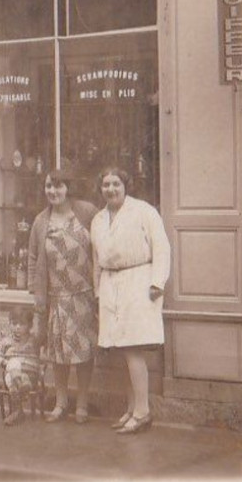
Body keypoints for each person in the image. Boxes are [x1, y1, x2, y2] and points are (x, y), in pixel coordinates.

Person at [90, 167, 172, 435]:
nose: (110, 189)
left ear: (125, 186)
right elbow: (96, 259)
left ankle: (143, 412)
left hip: (138, 281)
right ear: (100, 188)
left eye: (116, 183)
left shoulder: (143, 211)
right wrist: (97, 292)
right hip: (110, 284)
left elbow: (161, 246)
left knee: (133, 348)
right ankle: (131, 408)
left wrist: (157, 283)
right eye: (105, 184)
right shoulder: (99, 219)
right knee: (120, 349)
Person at [28, 169, 97, 424]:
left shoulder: (87, 212)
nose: (53, 192)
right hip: (55, 297)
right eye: (48, 186)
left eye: (58, 186)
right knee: (58, 354)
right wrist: (35, 292)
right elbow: (33, 258)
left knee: (83, 353)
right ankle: (60, 403)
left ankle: (82, 404)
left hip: (84, 296)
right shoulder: (40, 221)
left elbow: (102, 244)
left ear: (68, 187)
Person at [0, 305, 42, 426]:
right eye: (14, 323)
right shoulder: (6, 341)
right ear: (9, 324)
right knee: (11, 370)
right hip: (14, 376)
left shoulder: (34, 339)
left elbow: (43, 333)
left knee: (13, 370)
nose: (17, 327)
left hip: (30, 373)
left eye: (22, 324)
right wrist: (5, 362)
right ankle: (18, 409)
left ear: (29, 325)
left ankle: (17, 409)